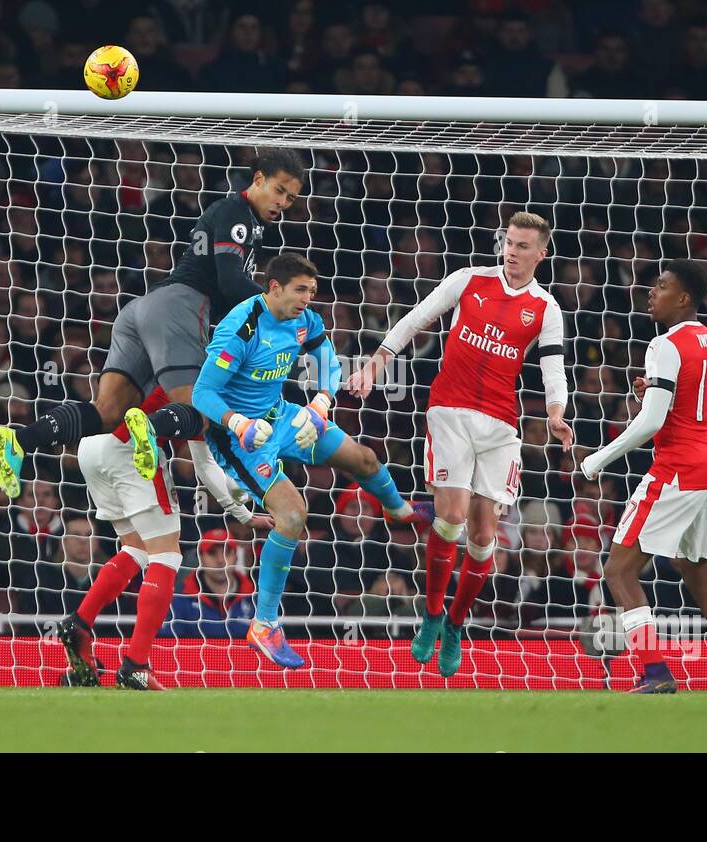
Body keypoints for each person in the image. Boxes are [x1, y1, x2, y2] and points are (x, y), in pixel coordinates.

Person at [0, 149, 307, 496]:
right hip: (179, 308)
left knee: (108, 411)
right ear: (258, 179)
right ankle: (150, 428)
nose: (283, 202)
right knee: (200, 407)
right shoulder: (237, 213)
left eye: (291, 198)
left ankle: (18, 440)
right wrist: (279, 310)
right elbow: (230, 283)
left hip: (145, 309)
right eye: (279, 190)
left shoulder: (249, 225)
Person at [348, 211, 572, 678]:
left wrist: (555, 412)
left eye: (523, 246)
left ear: (541, 253)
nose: (512, 252)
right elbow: (414, 320)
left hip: (500, 426)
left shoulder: (545, 307)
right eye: (509, 242)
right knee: (450, 517)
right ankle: (431, 613)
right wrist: (374, 364)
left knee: (485, 535)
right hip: (450, 411)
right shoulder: (468, 280)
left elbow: (553, 365)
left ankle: (454, 623)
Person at [190, 253, 428, 670]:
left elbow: (328, 363)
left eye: (312, 292)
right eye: (300, 290)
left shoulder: (306, 320)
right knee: (294, 514)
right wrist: (238, 423)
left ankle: (399, 511)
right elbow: (202, 394)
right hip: (241, 438)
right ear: (274, 288)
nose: (307, 299)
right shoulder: (242, 327)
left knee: (366, 459)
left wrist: (321, 402)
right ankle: (264, 623)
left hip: (283, 416)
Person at [579, 260, 707, 694]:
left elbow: (650, 423)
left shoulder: (664, 344)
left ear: (683, 298)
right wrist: (664, 397)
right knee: (698, 575)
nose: (650, 292)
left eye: (660, 286)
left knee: (619, 572)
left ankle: (656, 672)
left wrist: (596, 460)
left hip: (678, 468)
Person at [55, 387, 272, 691]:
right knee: (167, 555)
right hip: (131, 452)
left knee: (136, 548)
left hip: (92, 447)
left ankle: (79, 624)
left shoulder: (169, 361)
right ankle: (136, 665)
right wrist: (244, 515)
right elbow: (205, 466)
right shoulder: (205, 386)